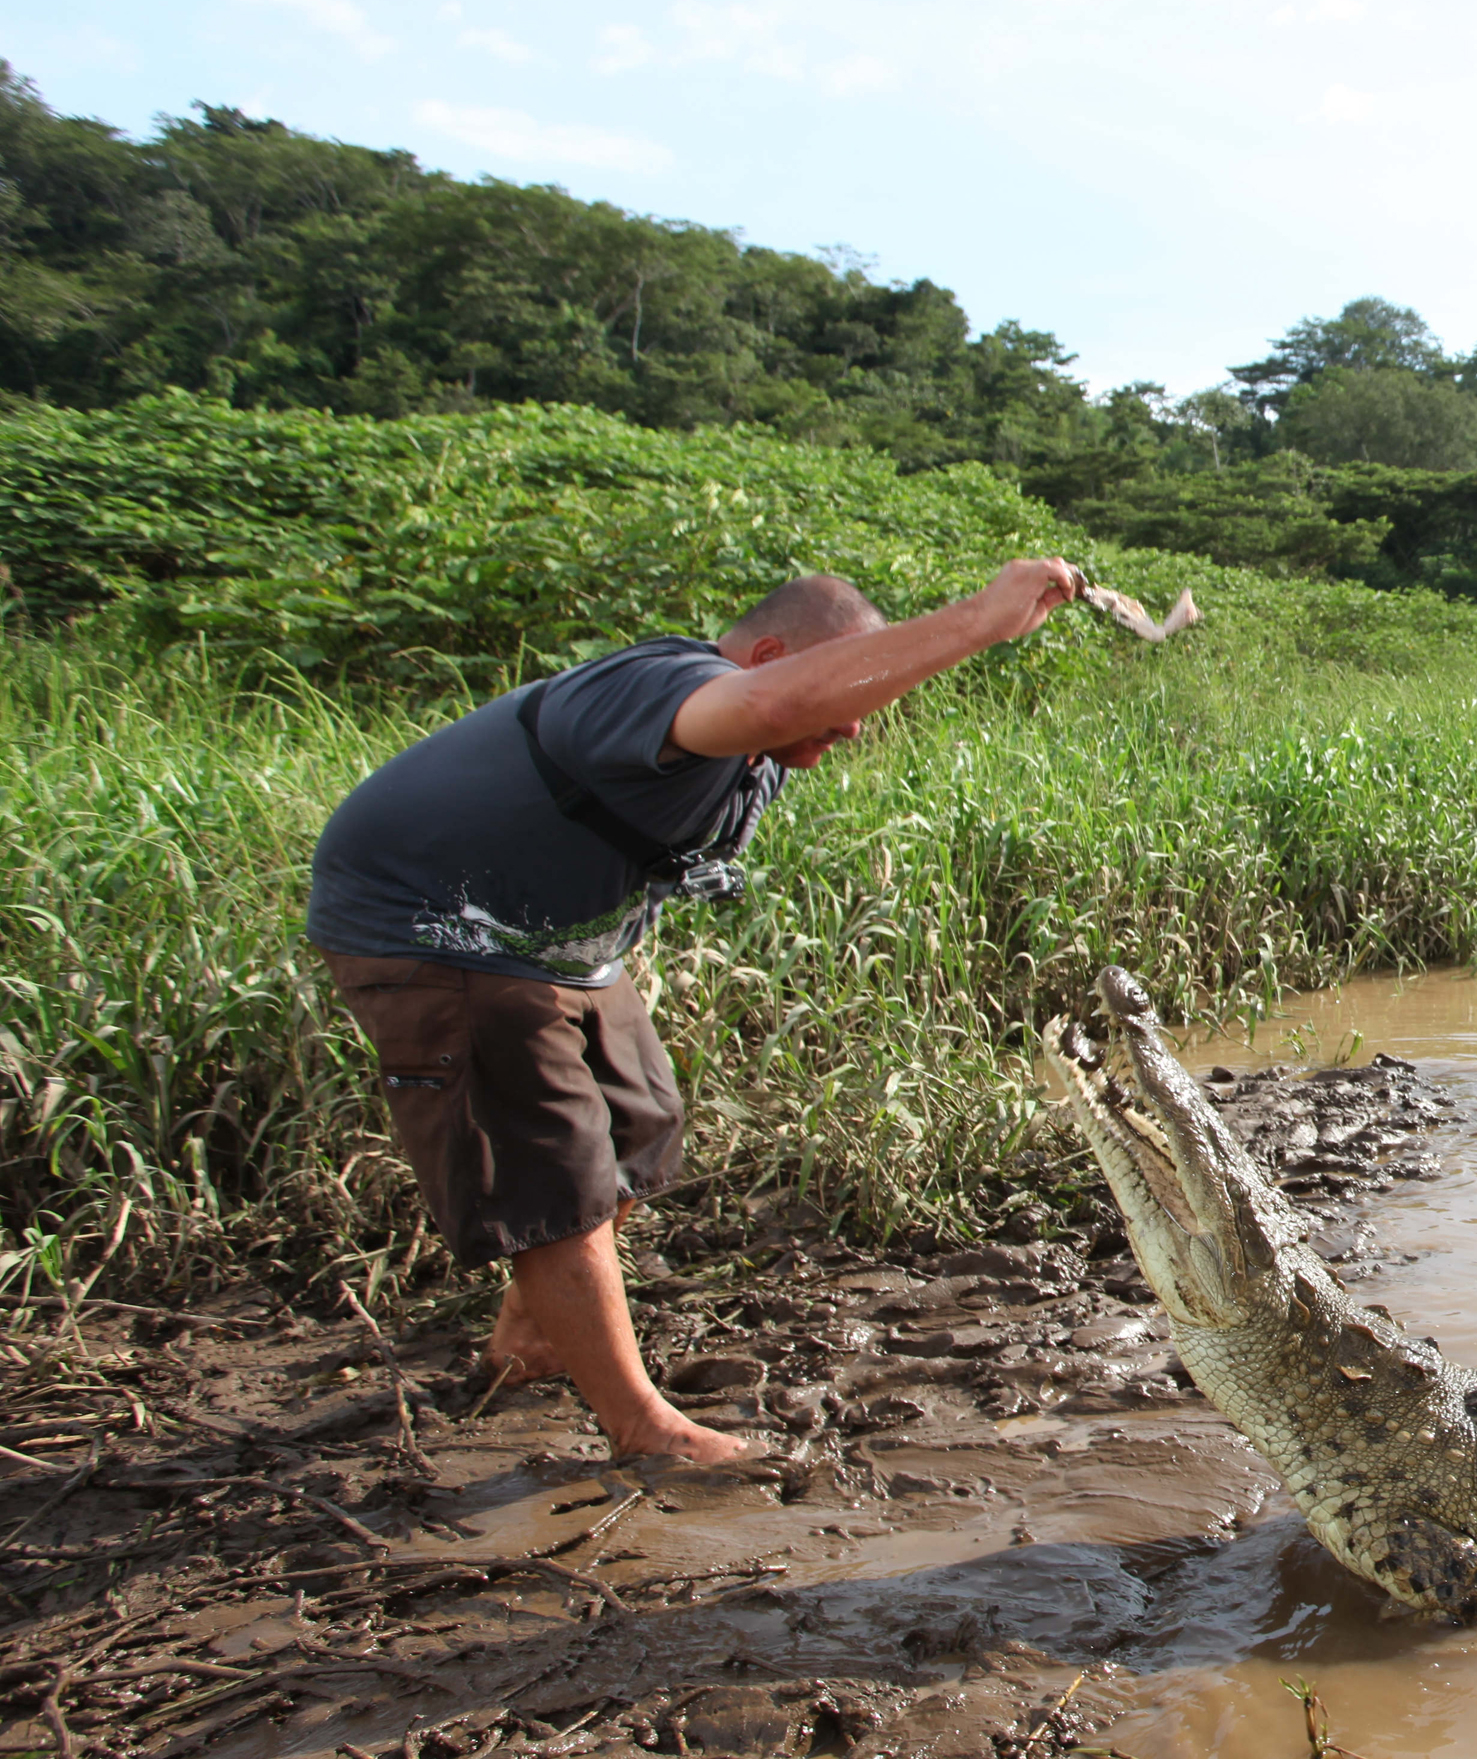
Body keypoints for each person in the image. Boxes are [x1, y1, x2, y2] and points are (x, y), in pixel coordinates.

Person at [307, 558, 1083, 1465]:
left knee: (641, 1124)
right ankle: (644, 1430)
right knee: (552, 1175)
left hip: (561, 944)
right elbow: (766, 706)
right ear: (763, 655)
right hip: (437, 932)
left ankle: (532, 1334)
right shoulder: (661, 688)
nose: (856, 721)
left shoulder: (759, 740)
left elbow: (777, 722)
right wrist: (984, 620)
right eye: (845, 684)